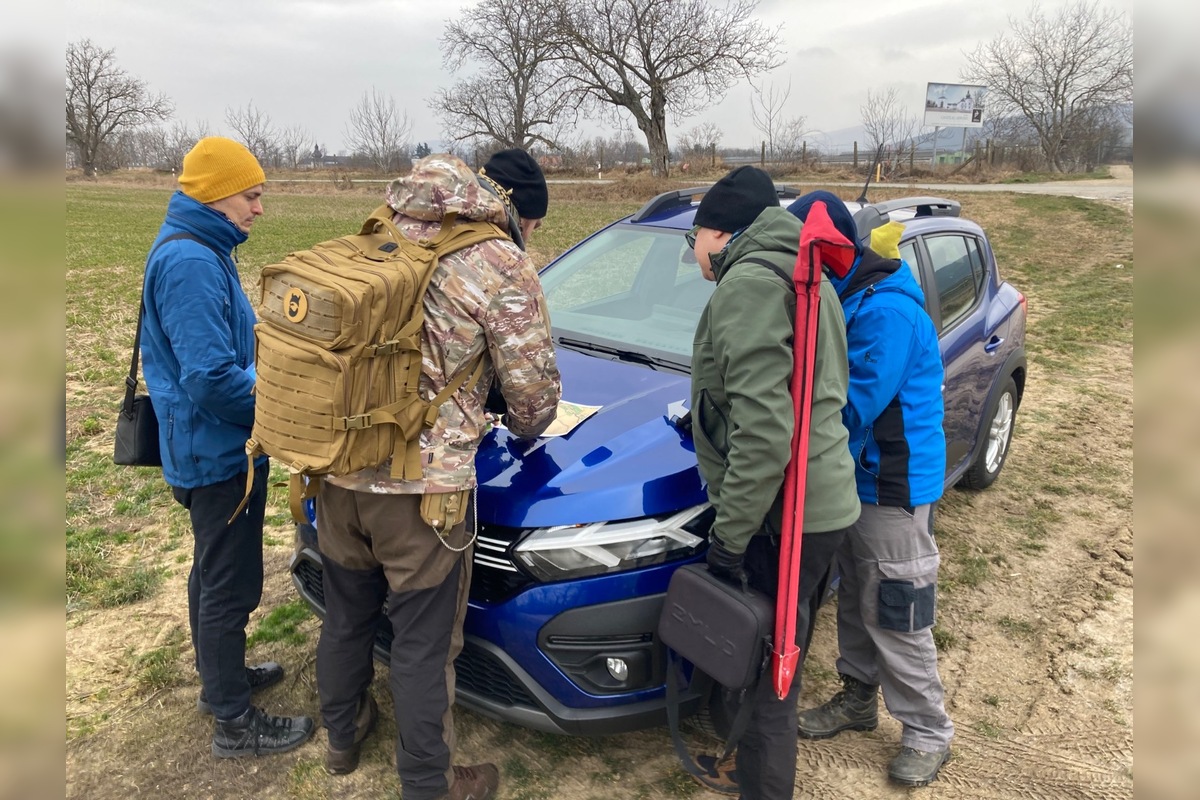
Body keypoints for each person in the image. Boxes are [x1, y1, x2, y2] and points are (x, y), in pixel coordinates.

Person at [314, 152, 561, 800]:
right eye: (530, 225)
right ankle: (429, 783)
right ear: (517, 213)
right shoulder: (498, 261)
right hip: (422, 497)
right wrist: (507, 413)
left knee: (345, 616)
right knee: (424, 646)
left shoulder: (373, 234)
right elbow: (534, 406)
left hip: (335, 471)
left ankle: (343, 736)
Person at [688, 166, 861, 800]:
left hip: (782, 516)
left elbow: (764, 437)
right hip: (820, 502)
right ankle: (745, 766)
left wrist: (729, 539)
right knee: (781, 655)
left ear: (716, 233)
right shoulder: (803, 272)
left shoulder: (750, 286)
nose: (696, 256)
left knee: (771, 675)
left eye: (693, 241)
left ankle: (763, 784)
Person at [140, 136, 314, 757]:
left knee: (215, 573)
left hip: (214, 447)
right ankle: (234, 724)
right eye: (252, 194)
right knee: (228, 583)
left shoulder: (205, 250)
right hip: (215, 455)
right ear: (217, 195)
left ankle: (222, 686)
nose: (259, 208)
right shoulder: (190, 263)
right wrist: (286, 405)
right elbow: (210, 376)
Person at [787, 190, 954, 787]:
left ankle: (929, 730)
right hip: (852, 480)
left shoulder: (886, 311)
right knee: (858, 591)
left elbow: (851, 405)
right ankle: (858, 699)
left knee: (895, 608)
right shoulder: (850, 294)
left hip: (892, 482)